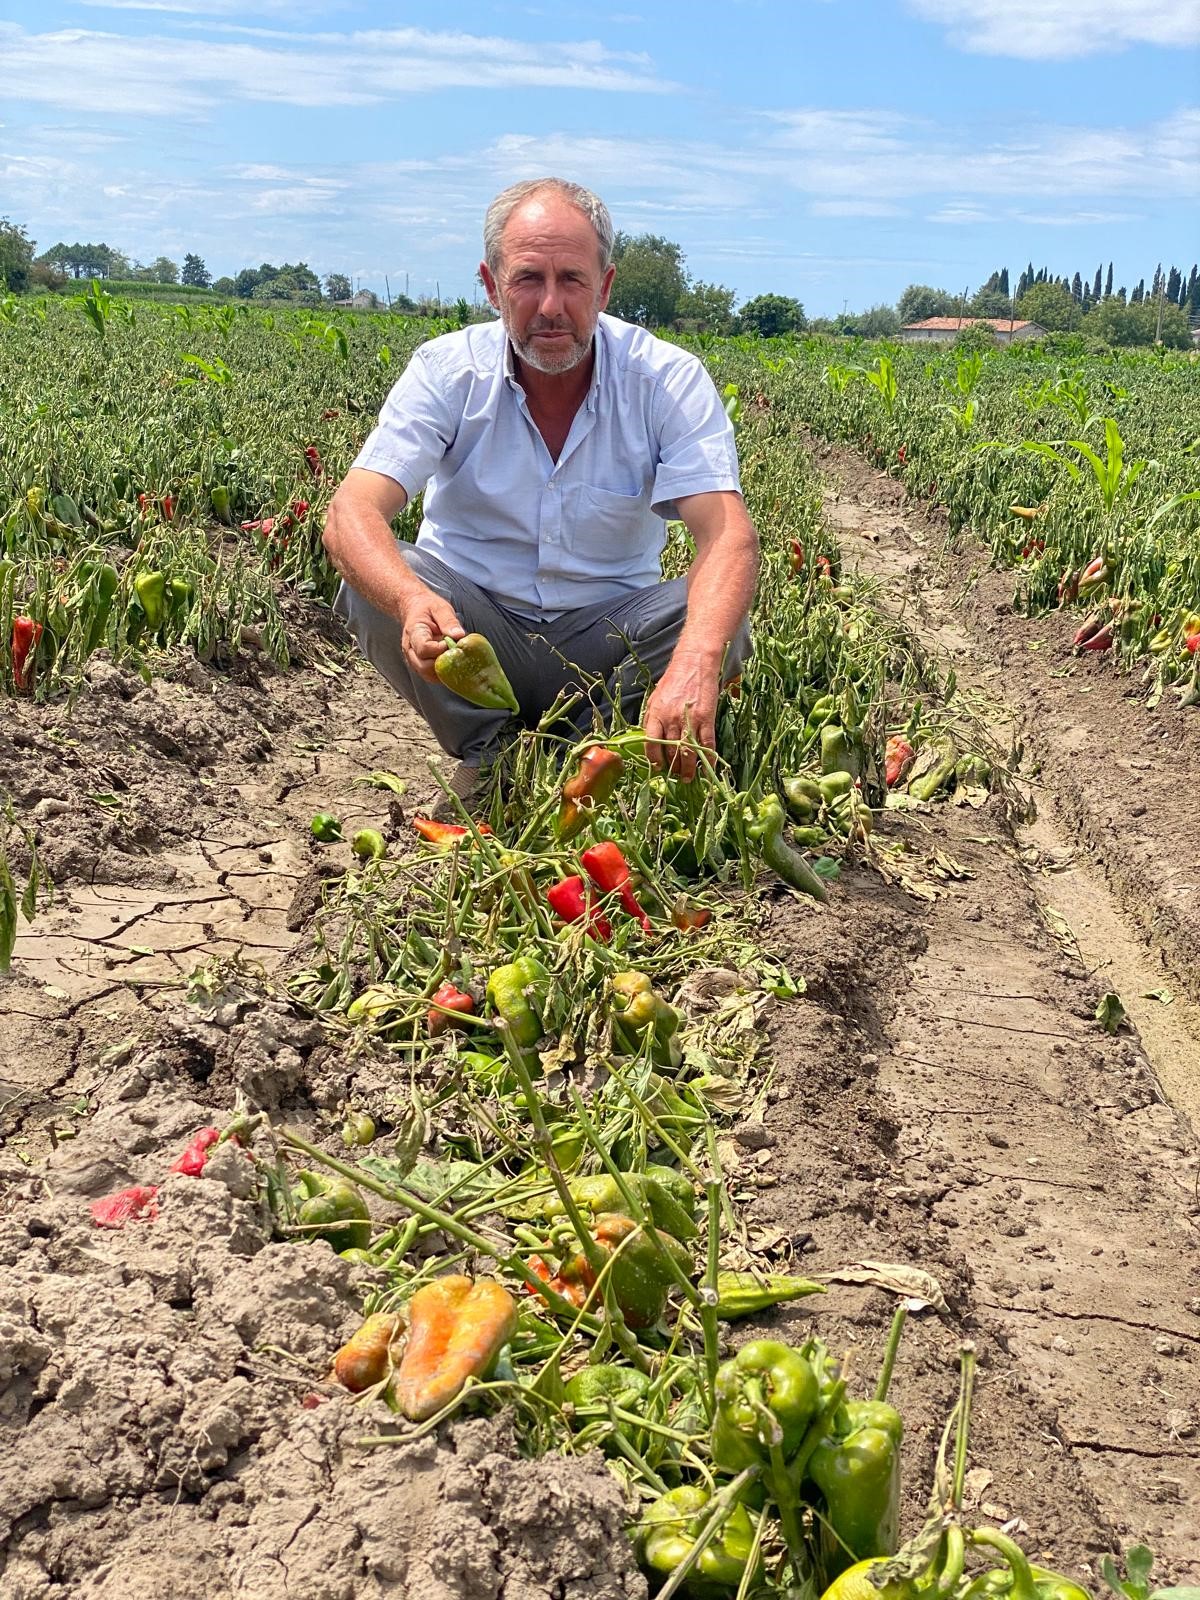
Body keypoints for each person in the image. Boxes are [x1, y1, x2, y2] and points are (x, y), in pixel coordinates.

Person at [323, 177, 758, 805]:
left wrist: (697, 656)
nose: (551, 305)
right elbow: (351, 512)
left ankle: (584, 757)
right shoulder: (448, 372)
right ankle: (489, 753)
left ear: (605, 286)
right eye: (528, 279)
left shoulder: (664, 379)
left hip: (609, 639)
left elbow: (728, 535)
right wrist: (412, 600)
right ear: (492, 283)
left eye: (572, 280)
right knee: (377, 579)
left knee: (719, 613)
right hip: (474, 632)